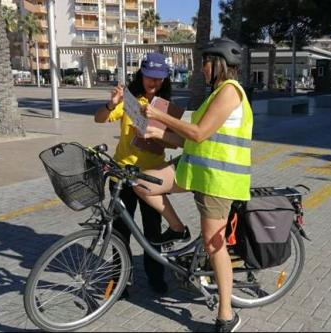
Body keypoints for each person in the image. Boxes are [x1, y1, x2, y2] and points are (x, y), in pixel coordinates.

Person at [134, 38, 252, 332]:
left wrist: (158, 115)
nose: (201, 69)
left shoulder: (230, 92)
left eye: (205, 63)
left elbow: (198, 133)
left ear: (219, 64)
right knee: (142, 183)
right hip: (195, 171)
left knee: (215, 245)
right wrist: (157, 134)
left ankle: (226, 314)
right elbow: (189, 141)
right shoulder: (214, 96)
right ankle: (177, 228)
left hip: (218, 179)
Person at [94, 52, 173, 295]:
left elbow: (173, 142)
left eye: (159, 79)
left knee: (153, 232)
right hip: (122, 177)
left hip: (151, 178)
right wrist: (112, 103)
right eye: (150, 77)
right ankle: (120, 282)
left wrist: (156, 137)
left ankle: (156, 277)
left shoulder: (165, 106)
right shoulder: (129, 101)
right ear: (142, 74)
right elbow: (99, 119)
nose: (154, 83)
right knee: (120, 234)